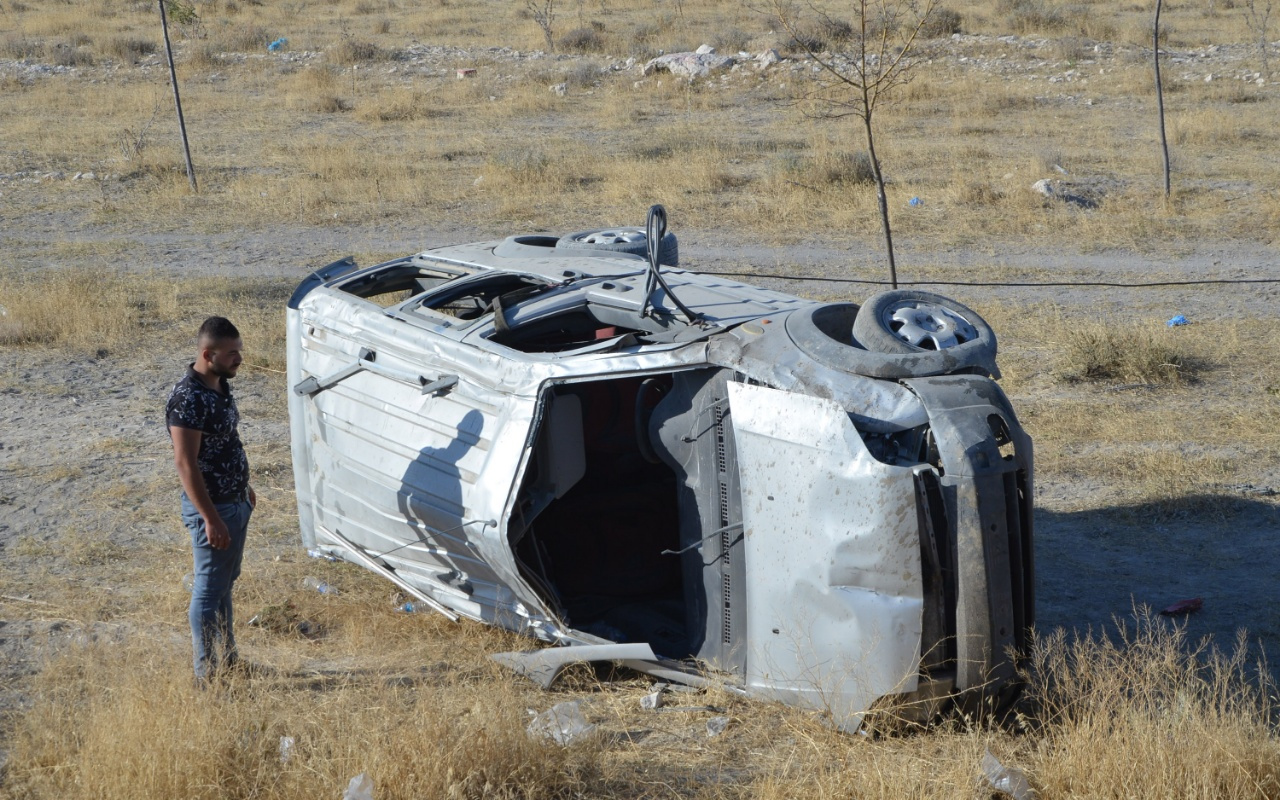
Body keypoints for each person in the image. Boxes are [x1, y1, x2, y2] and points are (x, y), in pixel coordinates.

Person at [166, 316, 256, 681]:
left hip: (234, 503)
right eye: (232, 353)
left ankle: (229, 661)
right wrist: (211, 518)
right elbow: (186, 464)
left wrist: (243, 487)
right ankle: (207, 677)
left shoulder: (218, 384)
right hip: (215, 509)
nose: (239, 359)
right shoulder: (187, 399)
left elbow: (225, 442)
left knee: (223, 585)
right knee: (207, 591)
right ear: (208, 354)